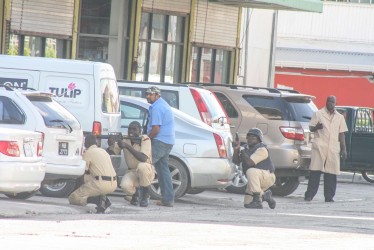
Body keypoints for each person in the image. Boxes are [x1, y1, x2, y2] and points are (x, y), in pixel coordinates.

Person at [304, 95, 348, 202]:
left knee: (331, 174)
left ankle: (329, 197)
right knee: (315, 172)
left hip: (333, 148)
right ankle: (309, 195)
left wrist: (344, 149)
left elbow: (341, 134)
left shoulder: (340, 117)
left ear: (335, 104)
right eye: (328, 101)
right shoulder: (318, 114)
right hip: (319, 147)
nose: (330, 103)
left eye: (332, 101)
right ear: (326, 101)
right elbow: (311, 128)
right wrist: (317, 127)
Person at [68, 134, 117, 213]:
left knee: (73, 198)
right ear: (96, 142)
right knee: (89, 177)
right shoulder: (103, 151)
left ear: (85, 143)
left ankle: (98, 200)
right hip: (113, 184)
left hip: (101, 184)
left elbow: (82, 171)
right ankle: (103, 199)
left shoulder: (88, 153)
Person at [145, 86, 175, 207]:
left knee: (145, 166)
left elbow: (156, 129)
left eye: (151, 95)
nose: (148, 96)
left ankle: (139, 196)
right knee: (163, 171)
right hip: (167, 141)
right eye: (147, 94)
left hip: (159, 141)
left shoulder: (157, 108)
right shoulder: (163, 105)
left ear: (157, 95)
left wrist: (146, 138)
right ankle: (168, 199)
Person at [233, 128, 276, 209]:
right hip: (255, 179)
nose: (250, 140)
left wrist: (241, 151)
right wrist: (236, 149)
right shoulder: (245, 148)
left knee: (251, 171)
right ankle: (266, 196)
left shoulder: (262, 149)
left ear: (259, 140)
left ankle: (257, 200)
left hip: (267, 177)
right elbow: (236, 161)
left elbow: (250, 163)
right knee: (247, 204)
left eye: (253, 138)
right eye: (248, 137)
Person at [118, 121, 155, 207]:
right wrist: (111, 144)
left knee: (142, 166)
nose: (131, 131)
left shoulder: (145, 139)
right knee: (124, 186)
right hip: (132, 171)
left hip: (145, 170)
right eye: (129, 129)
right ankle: (136, 194)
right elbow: (112, 151)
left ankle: (145, 195)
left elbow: (143, 158)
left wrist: (127, 146)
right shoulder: (125, 139)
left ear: (140, 131)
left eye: (134, 129)